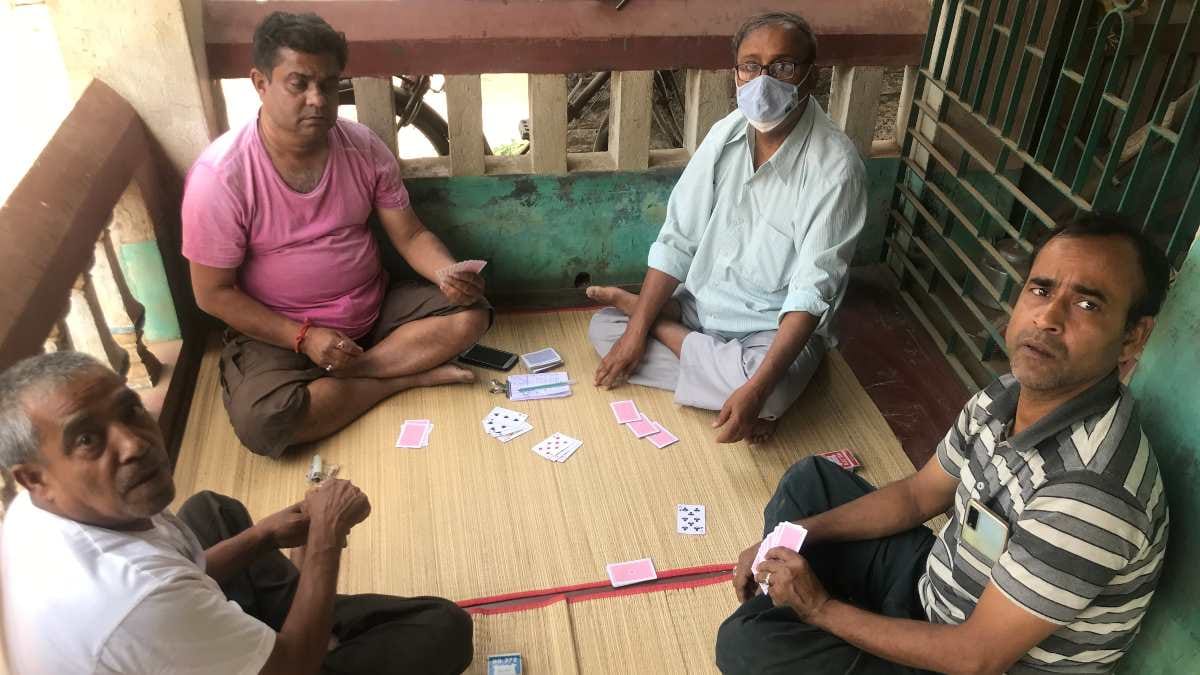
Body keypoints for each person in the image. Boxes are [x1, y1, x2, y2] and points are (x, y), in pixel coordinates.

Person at [716, 215, 1171, 674]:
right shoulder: (1005, 396)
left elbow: (976, 656)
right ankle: (807, 615)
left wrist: (819, 608)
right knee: (808, 484)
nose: (1048, 318)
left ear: (1132, 337)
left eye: (1088, 305)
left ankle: (807, 622)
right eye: (1041, 290)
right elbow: (917, 496)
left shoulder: (1091, 493)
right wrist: (795, 534)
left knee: (747, 645)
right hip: (936, 588)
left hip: (968, 660)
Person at [0, 351, 473, 674]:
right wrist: (325, 538)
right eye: (87, 439)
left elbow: (183, 571)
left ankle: (289, 626)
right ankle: (302, 632)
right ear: (34, 477)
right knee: (442, 629)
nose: (133, 444)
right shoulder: (135, 600)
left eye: (130, 411)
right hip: (258, 659)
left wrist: (265, 534)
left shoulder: (35, 509)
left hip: (172, 631)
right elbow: (291, 670)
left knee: (210, 510)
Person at [182, 11, 490, 458]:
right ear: (260, 83)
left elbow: (410, 236)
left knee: (470, 314)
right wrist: (304, 338)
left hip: (372, 310)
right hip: (281, 331)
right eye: (299, 84)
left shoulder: (363, 147)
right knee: (263, 422)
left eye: (328, 85)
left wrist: (445, 273)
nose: (317, 99)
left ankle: (356, 373)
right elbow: (212, 294)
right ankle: (399, 379)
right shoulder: (221, 177)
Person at [587, 11, 867, 444]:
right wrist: (633, 335)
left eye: (782, 67)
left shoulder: (835, 167)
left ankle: (665, 330)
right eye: (750, 66)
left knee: (770, 390)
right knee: (606, 330)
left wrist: (756, 390)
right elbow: (678, 238)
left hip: (769, 330)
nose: (763, 81)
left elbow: (812, 293)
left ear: (810, 76)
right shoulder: (725, 134)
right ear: (735, 73)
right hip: (702, 308)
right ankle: (684, 348)